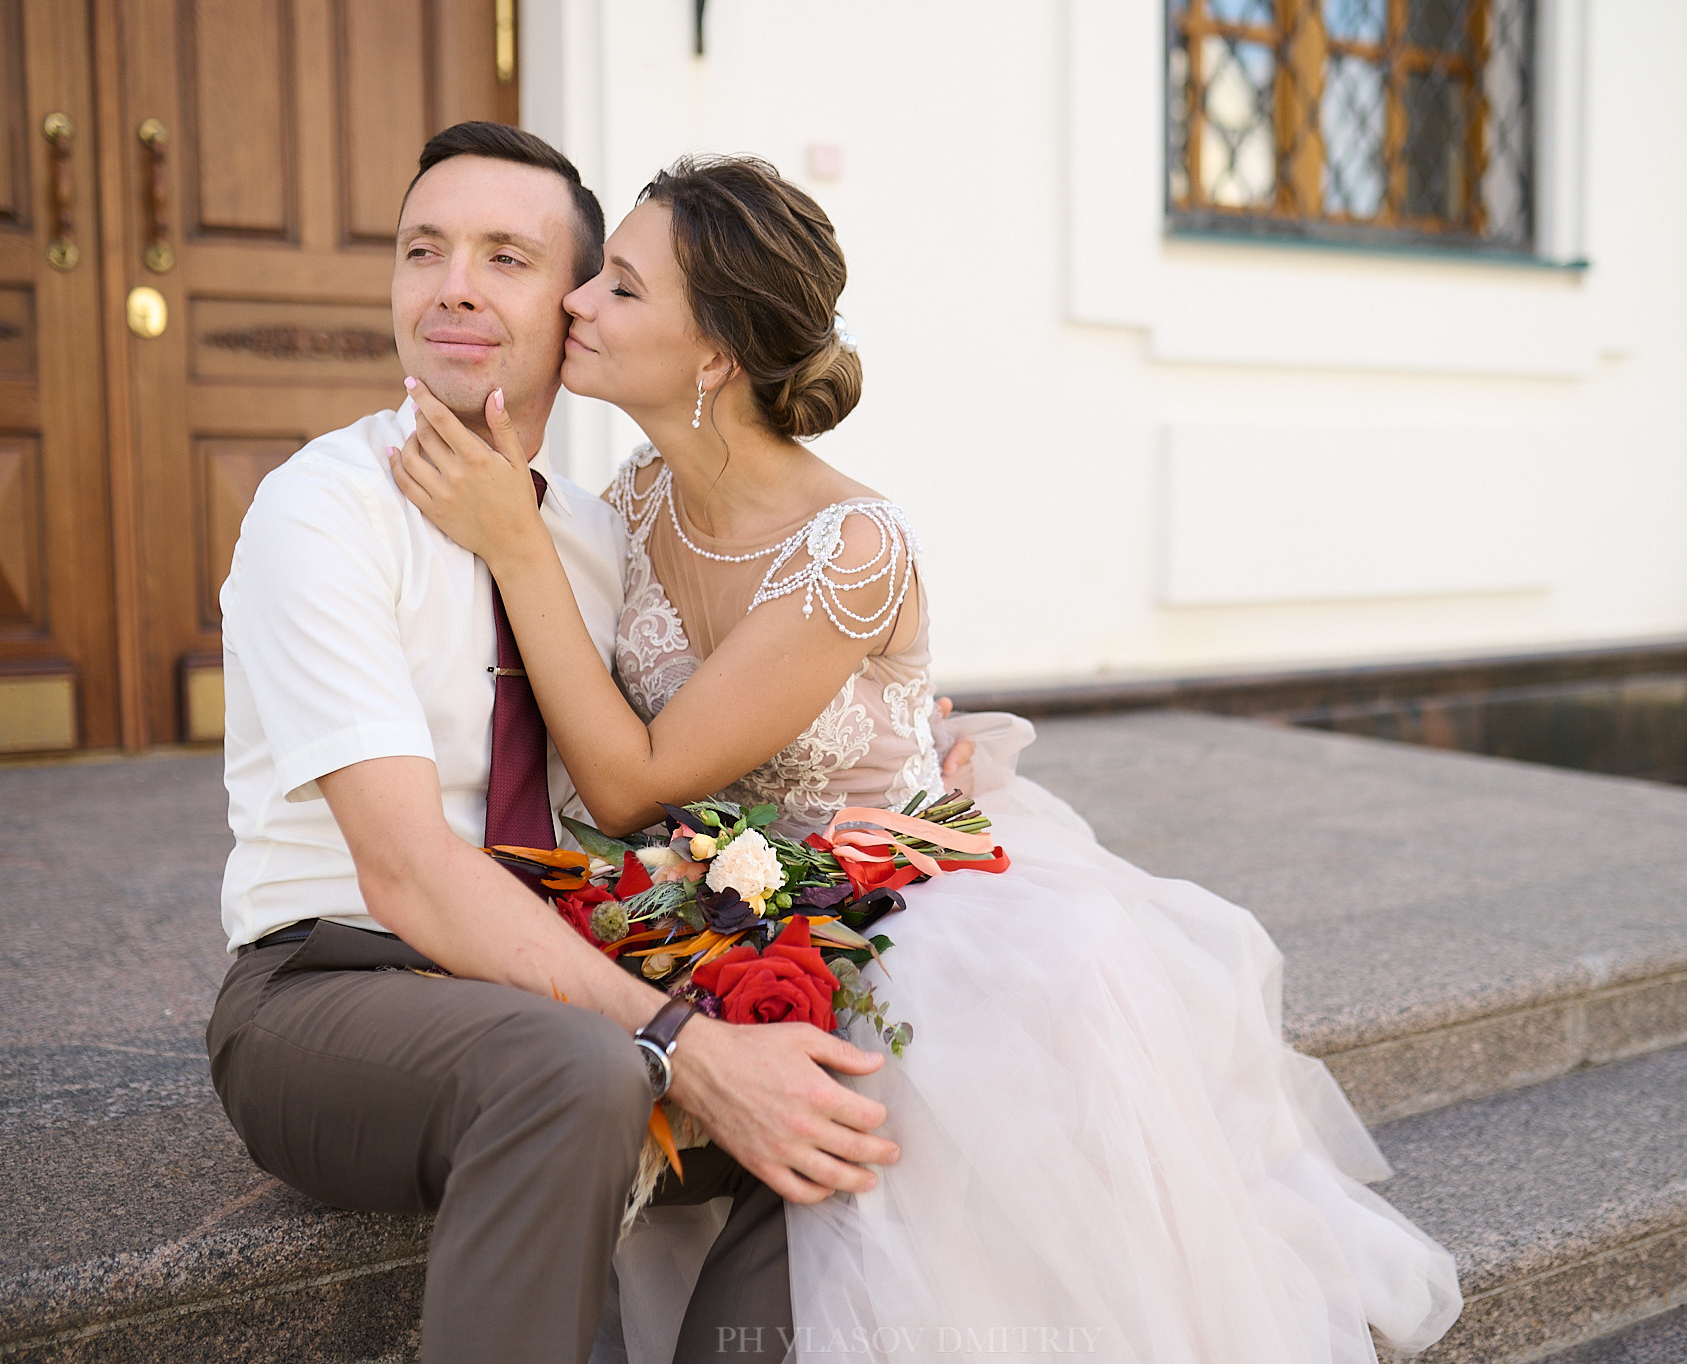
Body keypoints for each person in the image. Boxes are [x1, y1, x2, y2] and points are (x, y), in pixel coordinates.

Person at [392, 154, 1465, 1362]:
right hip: (737, 904)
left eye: (622, 289)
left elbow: (641, 773)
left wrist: (515, 545)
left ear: (714, 356)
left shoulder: (848, 547)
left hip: (912, 916)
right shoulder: (635, 495)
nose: (578, 301)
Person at [206, 124, 900, 1364]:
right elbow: (406, 871)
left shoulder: (596, 535)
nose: (453, 282)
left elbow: (662, 762)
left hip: (550, 981)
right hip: (328, 988)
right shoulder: (324, 505)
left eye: (506, 257)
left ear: (575, 306)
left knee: (822, 1099)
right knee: (589, 1067)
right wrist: (682, 1040)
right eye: (424, 249)